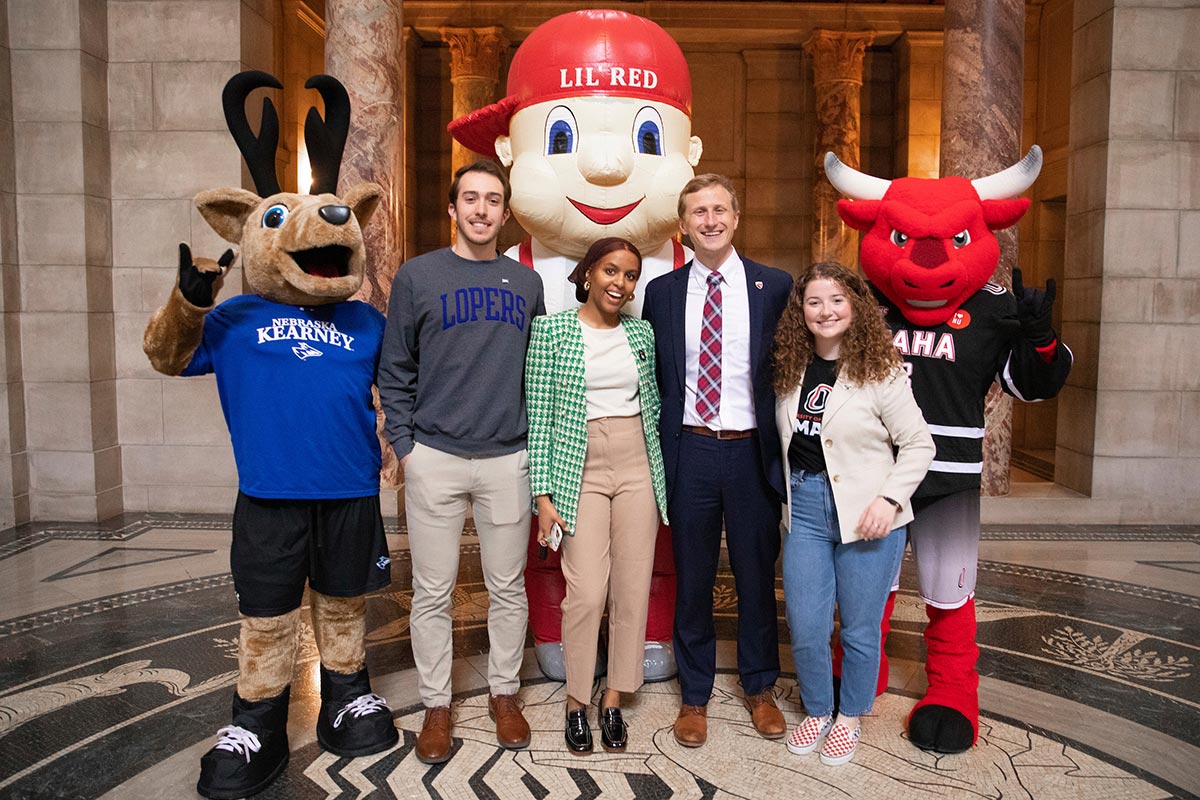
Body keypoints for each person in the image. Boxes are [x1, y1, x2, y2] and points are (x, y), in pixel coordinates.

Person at [447, 8, 705, 682]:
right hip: (545, 444)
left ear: (691, 155)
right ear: (508, 151)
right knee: (550, 547)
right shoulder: (509, 276)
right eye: (561, 136)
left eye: (647, 138)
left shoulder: (688, 274)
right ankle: (557, 631)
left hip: (648, 446)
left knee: (653, 543)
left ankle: (644, 636)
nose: (607, 163)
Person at [377, 159, 545, 765]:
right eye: (469, 199)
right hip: (436, 457)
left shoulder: (526, 286)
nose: (481, 210)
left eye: (492, 200)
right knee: (431, 590)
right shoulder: (418, 277)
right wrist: (407, 446)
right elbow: (394, 369)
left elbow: (537, 373)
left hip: (507, 458)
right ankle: (436, 705)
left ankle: (505, 694)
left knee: (507, 587)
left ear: (505, 212)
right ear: (452, 209)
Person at [641, 174, 793, 748]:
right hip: (692, 448)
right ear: (683, 224)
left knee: (757, 575)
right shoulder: (662, 292)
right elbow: (656, 377)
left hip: (752, 451)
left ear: (736, 217)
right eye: (698, 212)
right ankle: (695, 695)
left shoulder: (774, 286)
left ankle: (759, 687)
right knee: (693, 577)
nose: (710, 220)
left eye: (720, 209)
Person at [772, 262, 934, 766]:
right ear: (801, 311)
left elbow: (919, 444)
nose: (826, 311)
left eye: (837, 300)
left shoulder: (880, 370)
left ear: (855, 306)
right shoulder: (789, 367)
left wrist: (889, 501)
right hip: (804, 510)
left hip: (867, 514)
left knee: (861, 627)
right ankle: (818, 709)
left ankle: (849, 717)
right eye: (814, 302)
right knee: (805, 621)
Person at [525, 237, 670, 755]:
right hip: (576, 465)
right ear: (588, 274)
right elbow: (538, 419)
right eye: (611, 271)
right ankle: (575, 702)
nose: (620, 283)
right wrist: (542, 497)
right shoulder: (551, 331)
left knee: (631, 588)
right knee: (585, 592)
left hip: (636, 460)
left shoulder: (643, 333)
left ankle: (612, 698)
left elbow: (653, 402)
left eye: (630, 276)